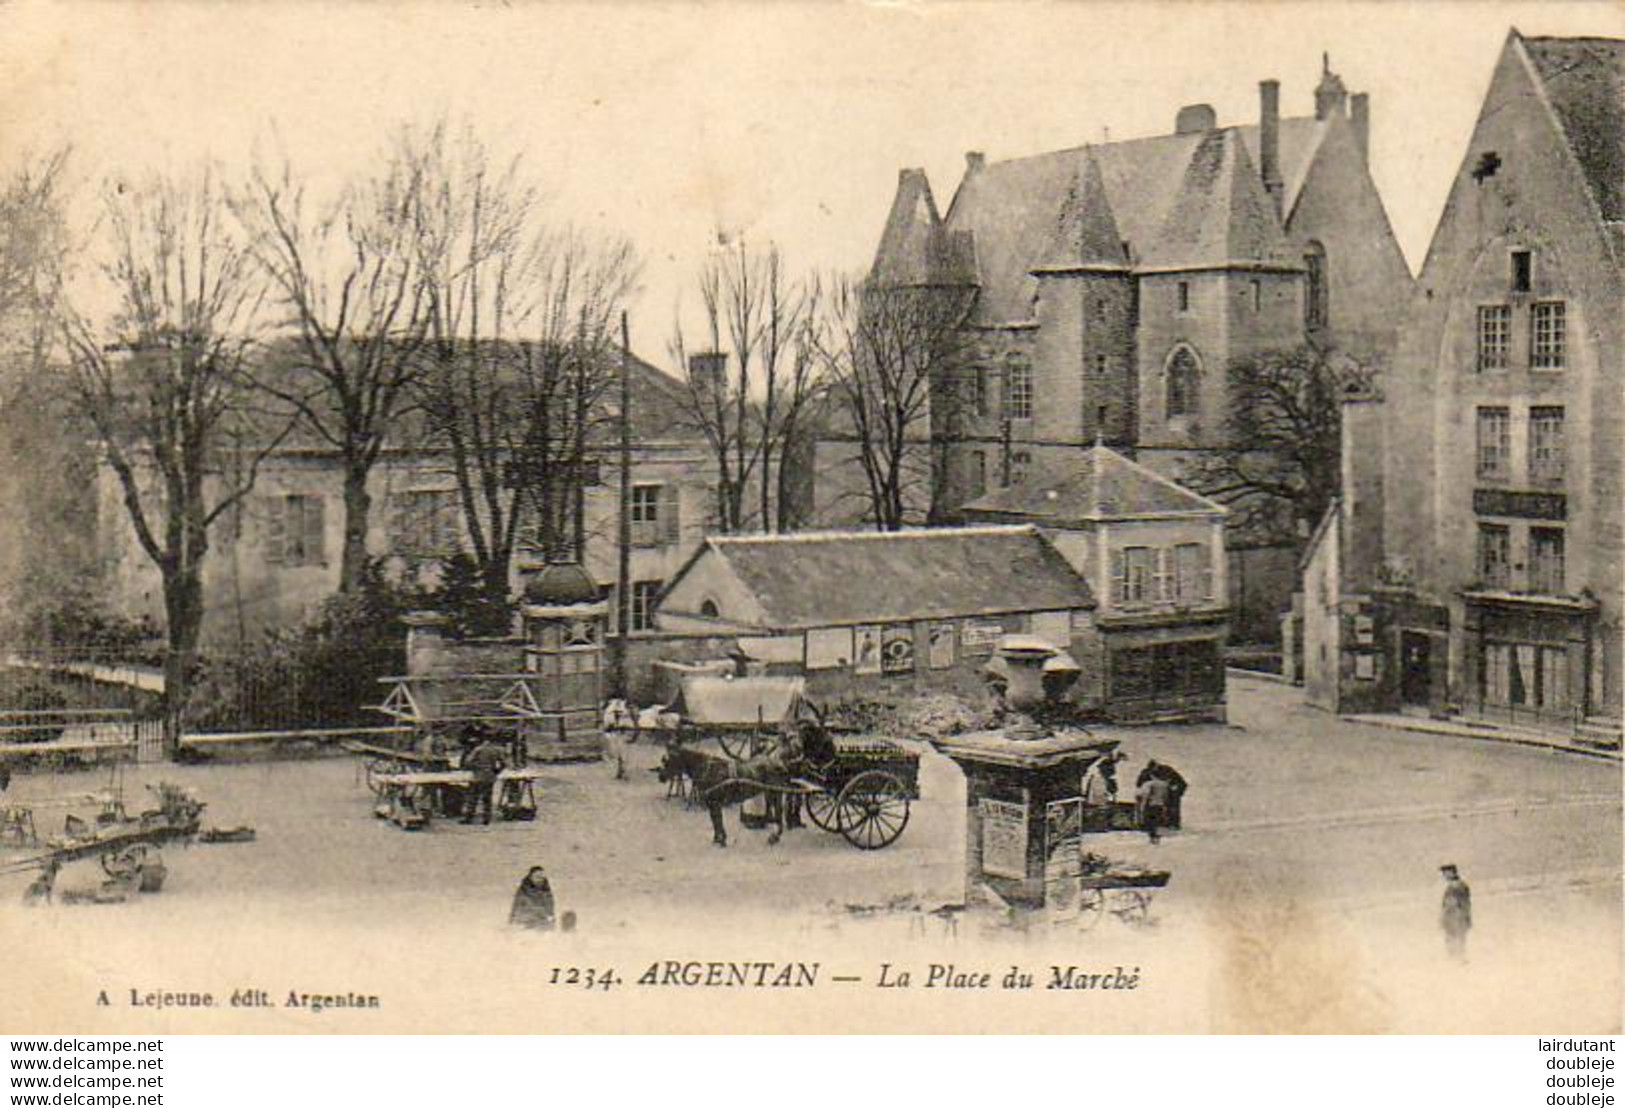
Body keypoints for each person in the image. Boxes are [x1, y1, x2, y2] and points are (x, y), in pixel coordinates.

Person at [460, 726, 507, 826]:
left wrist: (476, 767)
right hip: (490, 776)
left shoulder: (478, 749)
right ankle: (486, 819)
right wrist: (496, 771)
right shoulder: (497, 750)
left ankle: (469, 818)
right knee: (487, 798)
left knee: (473, 797)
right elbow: (504, 763)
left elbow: (467, 762)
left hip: (478, 776)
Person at [1137, 759, 1189, 830]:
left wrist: (1175, 793)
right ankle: (1149, 822)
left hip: (1170, 792)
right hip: (1153, 793)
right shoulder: (1145, 772)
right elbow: (1139, 784)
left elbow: (1182, 784)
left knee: (1172, 806)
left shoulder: (1168, 771)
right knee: (1150, 806)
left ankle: (1172, 823)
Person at [1440, 864, 1472, 962]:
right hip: (1454, 920)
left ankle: (1458, 963)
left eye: (1445, 873)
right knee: (1455, 944)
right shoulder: (1456, 886)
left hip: (1457, 920)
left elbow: (1461, 905)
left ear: (1451, 873)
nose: (1444, 876)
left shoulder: (1457, 886)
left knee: (1456, 945)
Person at [602, 697, 635, 781]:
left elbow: (630, 723)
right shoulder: (610, 710)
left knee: (623, 752)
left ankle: (624, 772)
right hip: (613, 733)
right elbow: (607, 725)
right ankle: (619, 771)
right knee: (615, 753)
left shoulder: (624, 710)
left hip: (622, 733)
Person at [1136, 772, 1172, 844]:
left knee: (1150, 821)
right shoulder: (1165, 784)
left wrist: (1142, 804)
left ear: (1152, 776)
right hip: (1160, 804)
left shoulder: (1149, 784)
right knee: (1157, 820)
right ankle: (1156, 835)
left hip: (1151, 804)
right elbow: (1166, 796)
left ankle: (1152, 836)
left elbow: (1144, 794)